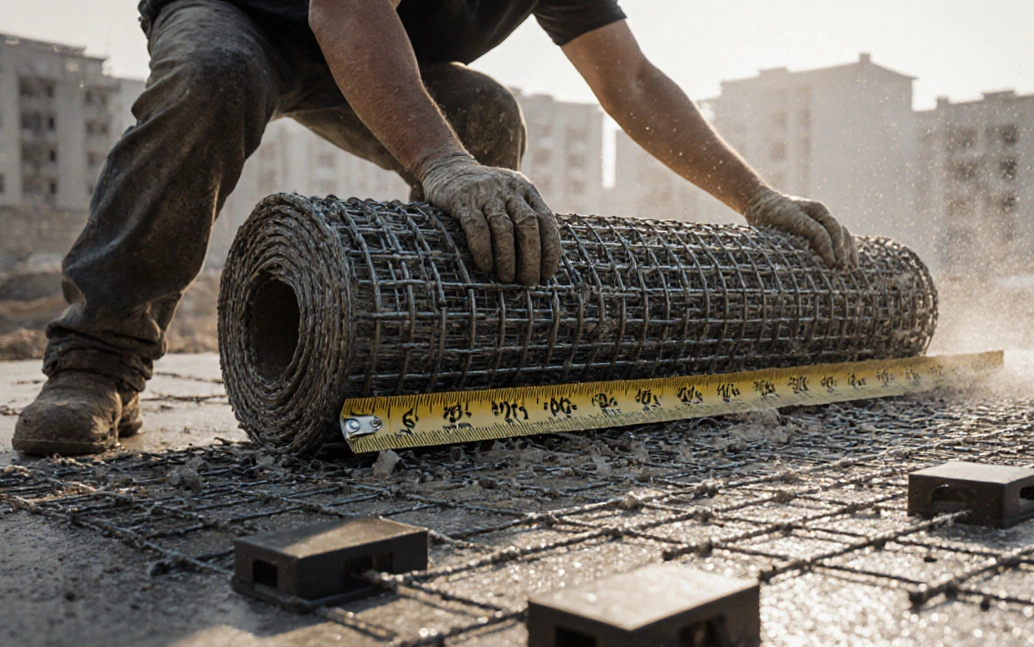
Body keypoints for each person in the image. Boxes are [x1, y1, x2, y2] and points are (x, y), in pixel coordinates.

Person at [13, 0, 858, 456]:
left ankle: (428, 350)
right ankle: (98, 363)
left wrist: (756, 197)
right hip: (244, 11)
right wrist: (441, 166)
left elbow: (630, 80)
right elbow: (348, 18)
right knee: (215, 73)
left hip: (364, 46)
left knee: (487, 118)